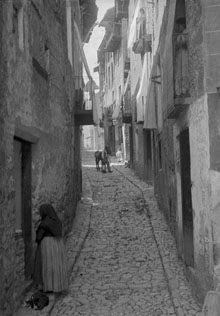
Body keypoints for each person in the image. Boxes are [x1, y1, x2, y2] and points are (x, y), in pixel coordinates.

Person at [33, 203, 68, 293]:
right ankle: (57, 285)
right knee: (56, 265)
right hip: (58, 244)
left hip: (47, 245)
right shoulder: (58, 221)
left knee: (47, 265)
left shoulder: (44, 223)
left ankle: (48, 286)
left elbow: (38, 237)